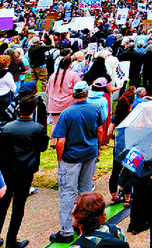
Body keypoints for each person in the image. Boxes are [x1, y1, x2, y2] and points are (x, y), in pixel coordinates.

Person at [0, 95, 49, 248]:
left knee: (1, 206)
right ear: (34, 110)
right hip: (25, 172)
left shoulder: (6, 128)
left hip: (7, 171)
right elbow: (43, 147)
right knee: (18, 207)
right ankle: (11, 240)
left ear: (18, 109)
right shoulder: (38, 128)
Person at [51, 80, 106, 244]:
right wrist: (98, 148)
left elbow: (60, 141)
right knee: (85, 193)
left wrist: (60, 160)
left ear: (73, 95)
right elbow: (100, 130)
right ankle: (85, 225)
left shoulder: (67, 113)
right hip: (89, 154)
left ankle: (67, 231)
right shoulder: (96, 108)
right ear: (86, 93)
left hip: (72, 158)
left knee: (67, 194)